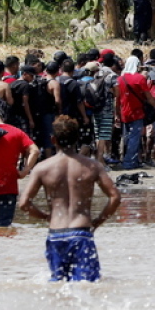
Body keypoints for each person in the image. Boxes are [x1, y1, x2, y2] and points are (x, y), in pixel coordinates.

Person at [19, 116, 122, 282]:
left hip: (56, 235)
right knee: (88, 286)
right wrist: (97, 221)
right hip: (81, 232)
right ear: (77, 139)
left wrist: (46, 217)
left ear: (53, 139)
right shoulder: (92, 166)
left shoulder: (42, 168)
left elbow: (24, 204)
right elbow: (115, 197)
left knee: (58, 285)